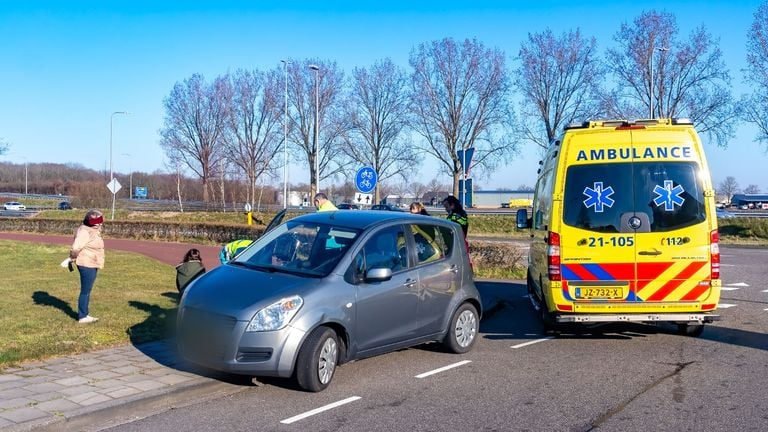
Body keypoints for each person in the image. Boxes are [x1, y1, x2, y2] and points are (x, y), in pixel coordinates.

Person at [69, 209, 105, 324]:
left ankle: (84, 314)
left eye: (100, 219)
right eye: (97, 219)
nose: (99, 223)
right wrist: (72, 258)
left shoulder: (94, 229)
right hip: (86, 263)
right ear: (89, 219)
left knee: (87, 290)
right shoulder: (85, 231)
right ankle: (82, 316)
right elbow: (76, 247)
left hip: (92, 262)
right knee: (85, 290)